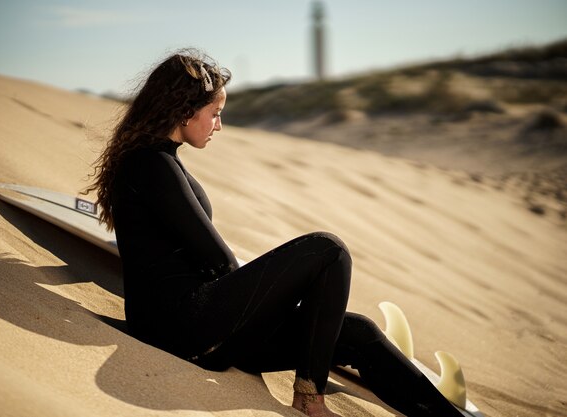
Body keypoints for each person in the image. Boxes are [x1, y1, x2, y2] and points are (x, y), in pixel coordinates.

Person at [86, 49, 464, 417]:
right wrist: (285, 294)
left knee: (356, 332)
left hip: (198, 329)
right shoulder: (152, 164)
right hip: (187, 327)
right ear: (185, 110)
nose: (219, 125)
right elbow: (219, 261)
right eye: (215, 114)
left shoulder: (153, 161)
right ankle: (309, 400)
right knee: (328, 250)